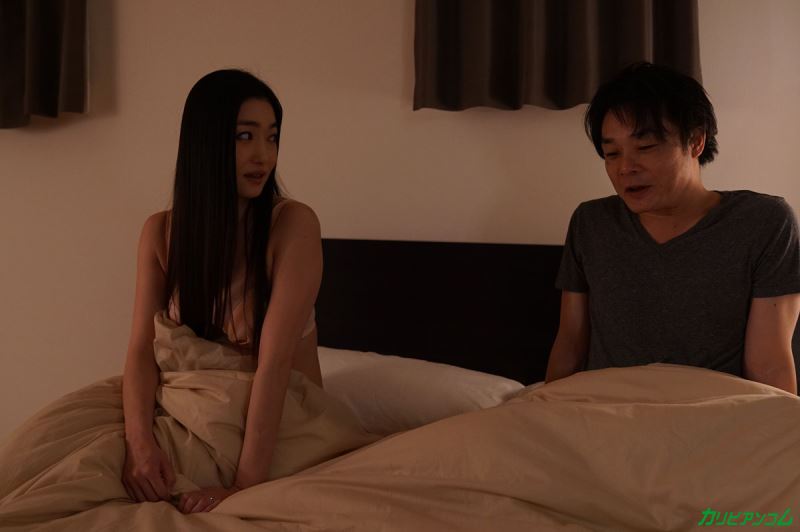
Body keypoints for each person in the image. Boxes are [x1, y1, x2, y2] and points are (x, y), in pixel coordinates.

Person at [122, 69, 323, 512]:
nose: (263, 154)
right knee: (77, 461)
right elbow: (140, 350)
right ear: (206, 142)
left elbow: (274, 364)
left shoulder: (293, 226)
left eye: (272, 137)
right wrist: (139, 446)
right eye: (244, 136)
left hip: (279, 424)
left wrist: (242, 489)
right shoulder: (160, 233)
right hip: (188, 405)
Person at [545, 62, 800, 394]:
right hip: (605, 410)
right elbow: (569, 346)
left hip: (714, 410)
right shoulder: (591, 223)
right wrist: (546, 409)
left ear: (695, 141)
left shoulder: (763, 223)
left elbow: (769, 364)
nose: (625, 168)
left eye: (645, 147)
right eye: (611, 153)